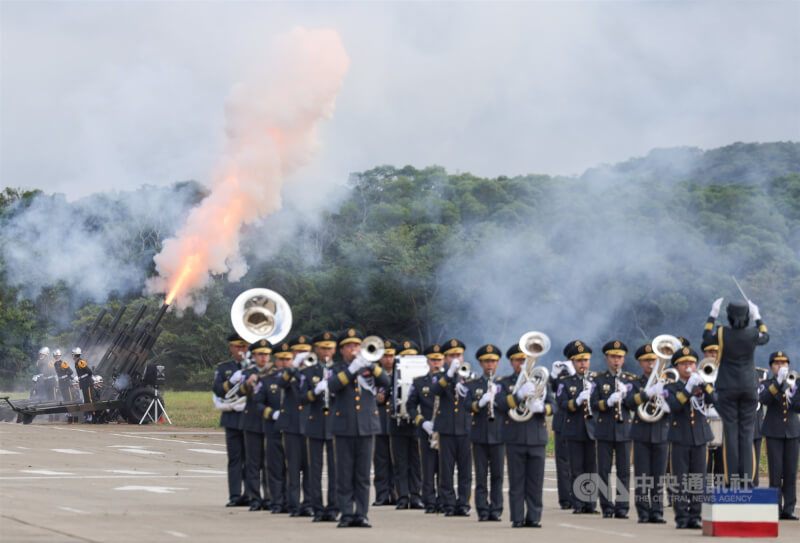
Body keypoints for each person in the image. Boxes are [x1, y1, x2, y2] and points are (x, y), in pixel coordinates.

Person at [317, 328, 390, 527]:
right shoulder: (336, 369)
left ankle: (362, 514)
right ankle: (347, 513)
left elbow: (386, 381)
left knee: (363, 474)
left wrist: (372, 367)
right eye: (349, 346)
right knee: (344, 474)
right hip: (343, 426)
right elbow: (332, 386)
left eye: (357, 345)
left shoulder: (370, 367)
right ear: (342, 350)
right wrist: (351, 370)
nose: (354, 349)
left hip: (366, 426)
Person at [702, 297, 769, 486]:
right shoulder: (753, 333)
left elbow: (706, 337)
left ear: (729, 316)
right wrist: (758, 318)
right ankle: (747, 480)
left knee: (731, 435)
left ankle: (732, 480)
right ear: (747, 317)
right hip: (749, 387)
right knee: (746, 436)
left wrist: (712, 315)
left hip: (728, 388)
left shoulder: (722, 333)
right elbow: (766, 337)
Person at [495, 344, 552, 527]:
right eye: (518, 359)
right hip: (515, 437)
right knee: (516, 482)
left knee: (535, 482)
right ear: (511, 362)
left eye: (525, 359)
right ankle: (517, 518)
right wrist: (518, 395)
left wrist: (543, 408)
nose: (523, 363)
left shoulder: (541, 380)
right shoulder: (503, 383)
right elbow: (499, 404)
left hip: (537, 437)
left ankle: (534, 517)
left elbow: (555, 405)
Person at [663, 347, 716, 529]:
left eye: (692, 363)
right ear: (677, 367)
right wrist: (687, 388)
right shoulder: (670, 386)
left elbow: (715, 399)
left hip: (700, 437)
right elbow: (674, 406)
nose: (689, 367)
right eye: (684, 363)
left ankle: (695, 515)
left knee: (698, 479)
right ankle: (681, 516)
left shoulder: (701, 383)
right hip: (680, 437)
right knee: (680, 480)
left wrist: (704, 384)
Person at [622, 344, 670, 524]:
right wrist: (647, 393)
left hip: (662, 432)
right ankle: (643, 512)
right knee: (642, 476)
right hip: (642, 433)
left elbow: (675, 405)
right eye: (646, 360)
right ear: (640, 363)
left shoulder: (667, 382)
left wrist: (666, 400)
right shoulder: (634, 383)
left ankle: (657, 512)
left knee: (658, 477)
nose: (651, 363)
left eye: (653, 359)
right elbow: (628, 402)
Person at [591, 340, 635, 519]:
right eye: (613, 357)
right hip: (605, 429)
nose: (616, 360)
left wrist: (627, 396)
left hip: (624, 429)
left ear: (624, 359)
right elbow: (593, 404)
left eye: (619, 357)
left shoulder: (630, 380)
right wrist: (607, 402)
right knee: (603, 471)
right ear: (607, 358)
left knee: (624, 471)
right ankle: (607, 507)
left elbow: (635, 403)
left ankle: (622, 506)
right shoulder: (599, 379)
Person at [431, 338, 473, 517]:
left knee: (465, 470)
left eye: (459, 355)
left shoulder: (470, 375)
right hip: (447, 428)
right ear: (446, 358)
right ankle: (448, 503)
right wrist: (449, 374)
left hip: (465, 427)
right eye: (452, 356)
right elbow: (435, 391)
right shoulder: (439, 377)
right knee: (446, 470)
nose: (457, 358)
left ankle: (463, 503)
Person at [300, 331, 339, 521]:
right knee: (314, 469)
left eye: (330, 348)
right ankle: (316, 508)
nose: (326, 351)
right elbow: (301, 397)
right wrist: (315, 392)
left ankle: (333, 507)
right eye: (323, 348)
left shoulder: (340, 371)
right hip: (315, 423)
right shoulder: (309, 372)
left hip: (335, 424)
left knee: (335, 469)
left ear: (335, 350)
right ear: (316, 349)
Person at [556, 340, 597, 514]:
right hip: (574, 429)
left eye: (586, 360)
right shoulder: (565, 382)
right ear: (572, 363)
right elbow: (563, 404)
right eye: (579, 361)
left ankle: (591, 503)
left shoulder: (596, 380)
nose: (583, 364)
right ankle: (579, 504)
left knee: (591, 468)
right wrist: (578, 400)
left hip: (593, 430)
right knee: (577, 468)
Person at [758, 351, 800, 520]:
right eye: (777, 363)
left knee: (790, 472)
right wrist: (778, 382)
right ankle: (774, 508)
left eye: (784, 363)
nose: (781, 366)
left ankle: (789, 509)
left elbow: (798, 407)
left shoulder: (796, 383)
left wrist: (791, 391)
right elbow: (764, 399)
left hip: (792, 431)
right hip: (774, 431)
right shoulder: (768, 383)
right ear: (771, 367)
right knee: (775, 472)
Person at [277, 334, 315, 517]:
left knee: (309, 468)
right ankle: (292, 504)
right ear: (292, 353)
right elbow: (280, 383)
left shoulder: (314, 370)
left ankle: (308, 503)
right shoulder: (286, 371)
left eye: (305, 351)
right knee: (292, 468)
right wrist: (292, 367)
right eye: (298, 351)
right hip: (291, 425)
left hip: (310, 424)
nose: (302, 354)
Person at [467, 344, 505, 522]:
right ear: (481, 363)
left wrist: (496, 401)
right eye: (486, 361)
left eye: (493, 361)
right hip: (480, 434)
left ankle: (496, 509)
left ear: (497, 363)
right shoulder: (473, 384)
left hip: (499, 434)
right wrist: (480, 402)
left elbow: (509, 405)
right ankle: (482, 510)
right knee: (481, 476)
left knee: (497, 476)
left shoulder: (503, 384)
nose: (490, 365)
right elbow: (468, 406)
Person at [212, 333, 250, 507]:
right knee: (235, 459)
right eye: (238, 347)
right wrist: (231, 381)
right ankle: (234, 495)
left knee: (252, 459)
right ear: (231, 348)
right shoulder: (224, 369)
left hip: (250, 419)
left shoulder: (255, 367)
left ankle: (251, 495)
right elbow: (218, 390)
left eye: (244, 346)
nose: (242, 350)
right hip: (232, 418)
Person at [407, 343, 445, 513]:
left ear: (444, 361)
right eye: (432, 360)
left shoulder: (450, 380)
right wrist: (422, 422)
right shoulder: (419, 382)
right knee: (428, 467)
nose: (436, 363)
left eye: (439, 360)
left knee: (445, 467)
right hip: (427, 430)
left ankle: (444, 499)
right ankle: (429, 501)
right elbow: (411, 406)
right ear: (428, 362)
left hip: (445, 430)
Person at [390, 340, 424, 510]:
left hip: (416, 422)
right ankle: (402, 496)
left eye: (412, 356)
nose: (408, 359)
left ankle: (416, 495)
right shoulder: (392, 374)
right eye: (405, 356)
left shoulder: (423, 374)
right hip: (397, 422)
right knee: (400, 461)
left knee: (416, 461)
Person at [239, 339, 273, 511]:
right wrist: (248, 383)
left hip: (269, 422)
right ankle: (254, 498)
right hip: (252, 421)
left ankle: (269, 497)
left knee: (269, 462)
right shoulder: (247, 372)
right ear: (254, 356)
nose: (264, 358)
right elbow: (240, 391)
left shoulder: (275, 372)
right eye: (260, 354)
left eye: (266, 354)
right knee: (252, 463)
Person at [264, 341, 292, 514]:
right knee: (275, 467)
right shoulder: (267, 380)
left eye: (287, 359)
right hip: (273, 428)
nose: (284, 362)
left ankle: (291, 501)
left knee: (293, 468)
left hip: (293, 429)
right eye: (281, 359)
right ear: (275, 360)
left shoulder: (298, 379)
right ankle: (276, 501)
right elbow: (258, 403)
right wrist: (271, 414)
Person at [548, 346, 575, 510]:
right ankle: (565, 499)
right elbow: (552, 391)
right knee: (563, 464)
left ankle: (584, 497)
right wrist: (553, 375)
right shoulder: (559, 377)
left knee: (583, 464)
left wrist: (573, 374)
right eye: (572, 360)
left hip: (581, 425)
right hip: (562, 423)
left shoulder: (588, 375)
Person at [372, 339, 398, 506]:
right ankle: (382, 495)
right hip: (380, 421)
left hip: (395, 421)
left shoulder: (400, 373)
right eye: (385, 356)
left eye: (391, 355)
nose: (389, 359)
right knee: (381, 461)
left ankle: (396, 493)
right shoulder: (375, 374)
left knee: (396, 460)